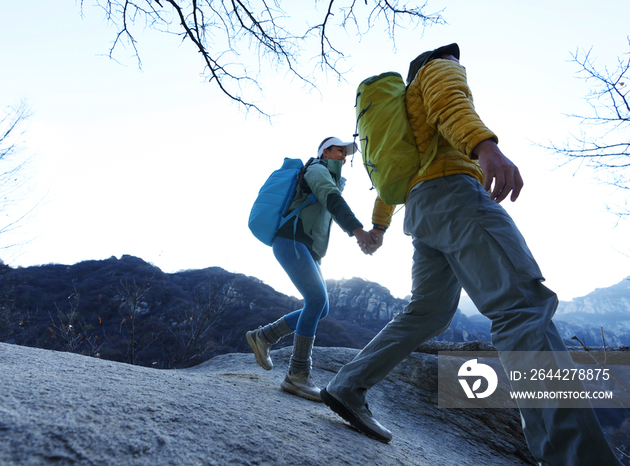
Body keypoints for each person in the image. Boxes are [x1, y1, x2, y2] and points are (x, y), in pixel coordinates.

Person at [319, 44, 622, 465]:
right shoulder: (438, 68)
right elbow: (451, 101)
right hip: (457, 198)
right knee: (522, 307)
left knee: (428, 312)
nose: (461, 67)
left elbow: (395, 178)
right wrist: (486, 146)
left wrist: (380, 227)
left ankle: (349, 384)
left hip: (423, 212)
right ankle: (575, 457)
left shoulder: (401, 112)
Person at [246, 137, 374, 402]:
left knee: (321, 307)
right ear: (325, 151)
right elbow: (331, 200)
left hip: (307, 250)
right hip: (290, 240)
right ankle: (298, 374)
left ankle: (263, 336)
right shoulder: (317, 170)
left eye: (346, 154)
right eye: (340, 150)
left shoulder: (333, 178)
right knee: (315, 301)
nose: (343, 156)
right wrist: (358, 230)